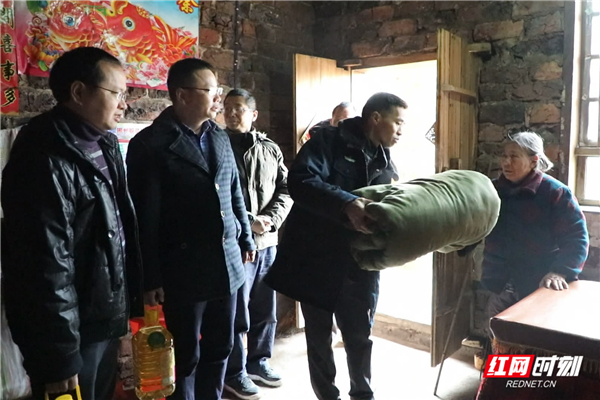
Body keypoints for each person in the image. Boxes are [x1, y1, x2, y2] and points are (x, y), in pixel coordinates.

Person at [1, 47, 143, 400]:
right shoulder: (43, 156)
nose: (125, 104)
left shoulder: (104, 142)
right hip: (72, 331)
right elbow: (43, 266)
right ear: (79, 92)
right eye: (117, 93)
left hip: (103, 316)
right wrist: (59, 355)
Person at [126, 59, 256, 400]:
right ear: (182, 95)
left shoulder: (219, 136)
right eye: (211, 90)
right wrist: (150, 277)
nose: (218, 99)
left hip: (227, 262)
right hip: (182, 269)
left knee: (222, 346)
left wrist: (245, 235)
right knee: (185, 354)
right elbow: (143, 218)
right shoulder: (150, 144)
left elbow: (234, 192)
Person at [265, 93, 407, 400]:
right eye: (398, 122)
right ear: (376, 118)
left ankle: (363, 394)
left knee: (359, 336)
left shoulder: (385, 159)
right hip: (318, 260)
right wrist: (346, 204)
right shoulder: (327, 142)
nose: (401, 131)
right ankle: (327, 396)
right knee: (319, 338)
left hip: (360, 263)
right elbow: (301, 181)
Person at [222, 89, 293, 400]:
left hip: (267, 242)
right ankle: (234, 372)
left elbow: (286, 189)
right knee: (237, 313)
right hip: (235, 244)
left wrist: (270, 219)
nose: (231, 113)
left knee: (265, 309)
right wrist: (249, 221)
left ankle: (258, 362)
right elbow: (217, 195)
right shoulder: (217, 146)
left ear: (253, 114)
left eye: (238, 108)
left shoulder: (269, 148)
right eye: (227, 108)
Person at [481, 131, 589, 324]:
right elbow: (476, 225)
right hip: (500, 281)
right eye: (504, 156)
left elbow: (577, 237)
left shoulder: (555, 192)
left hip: (538, 283)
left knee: (533, 336)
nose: (506, 162)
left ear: (533, 161)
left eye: (514, 157)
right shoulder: (492, 190)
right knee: (498, 333)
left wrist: (560, 271)